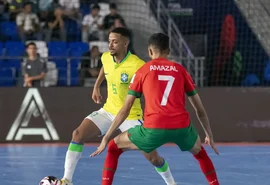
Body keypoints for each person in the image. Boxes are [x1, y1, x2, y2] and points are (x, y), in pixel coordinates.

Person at [91, 33, 220, 185]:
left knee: (113, 148)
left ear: (150, 51)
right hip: (181, 128)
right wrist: (208, 134)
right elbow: (200, 110)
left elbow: (125, 109)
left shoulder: (143, 71)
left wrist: (106, 137)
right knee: (200, 154)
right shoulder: (180, 70)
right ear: (169, 51)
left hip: (153, 128)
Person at [60, 28, 176, 185]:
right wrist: (97, 85)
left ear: (125, 43)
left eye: (115, 41)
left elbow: (152, 87)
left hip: (131, 116)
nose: (110, 45)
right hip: (108, 111)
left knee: (152, 157)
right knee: (77, 134)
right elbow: (105, 67)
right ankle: (66, 180)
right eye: (109, 41)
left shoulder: (137, 65)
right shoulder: (106, 57)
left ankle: (171, 183)